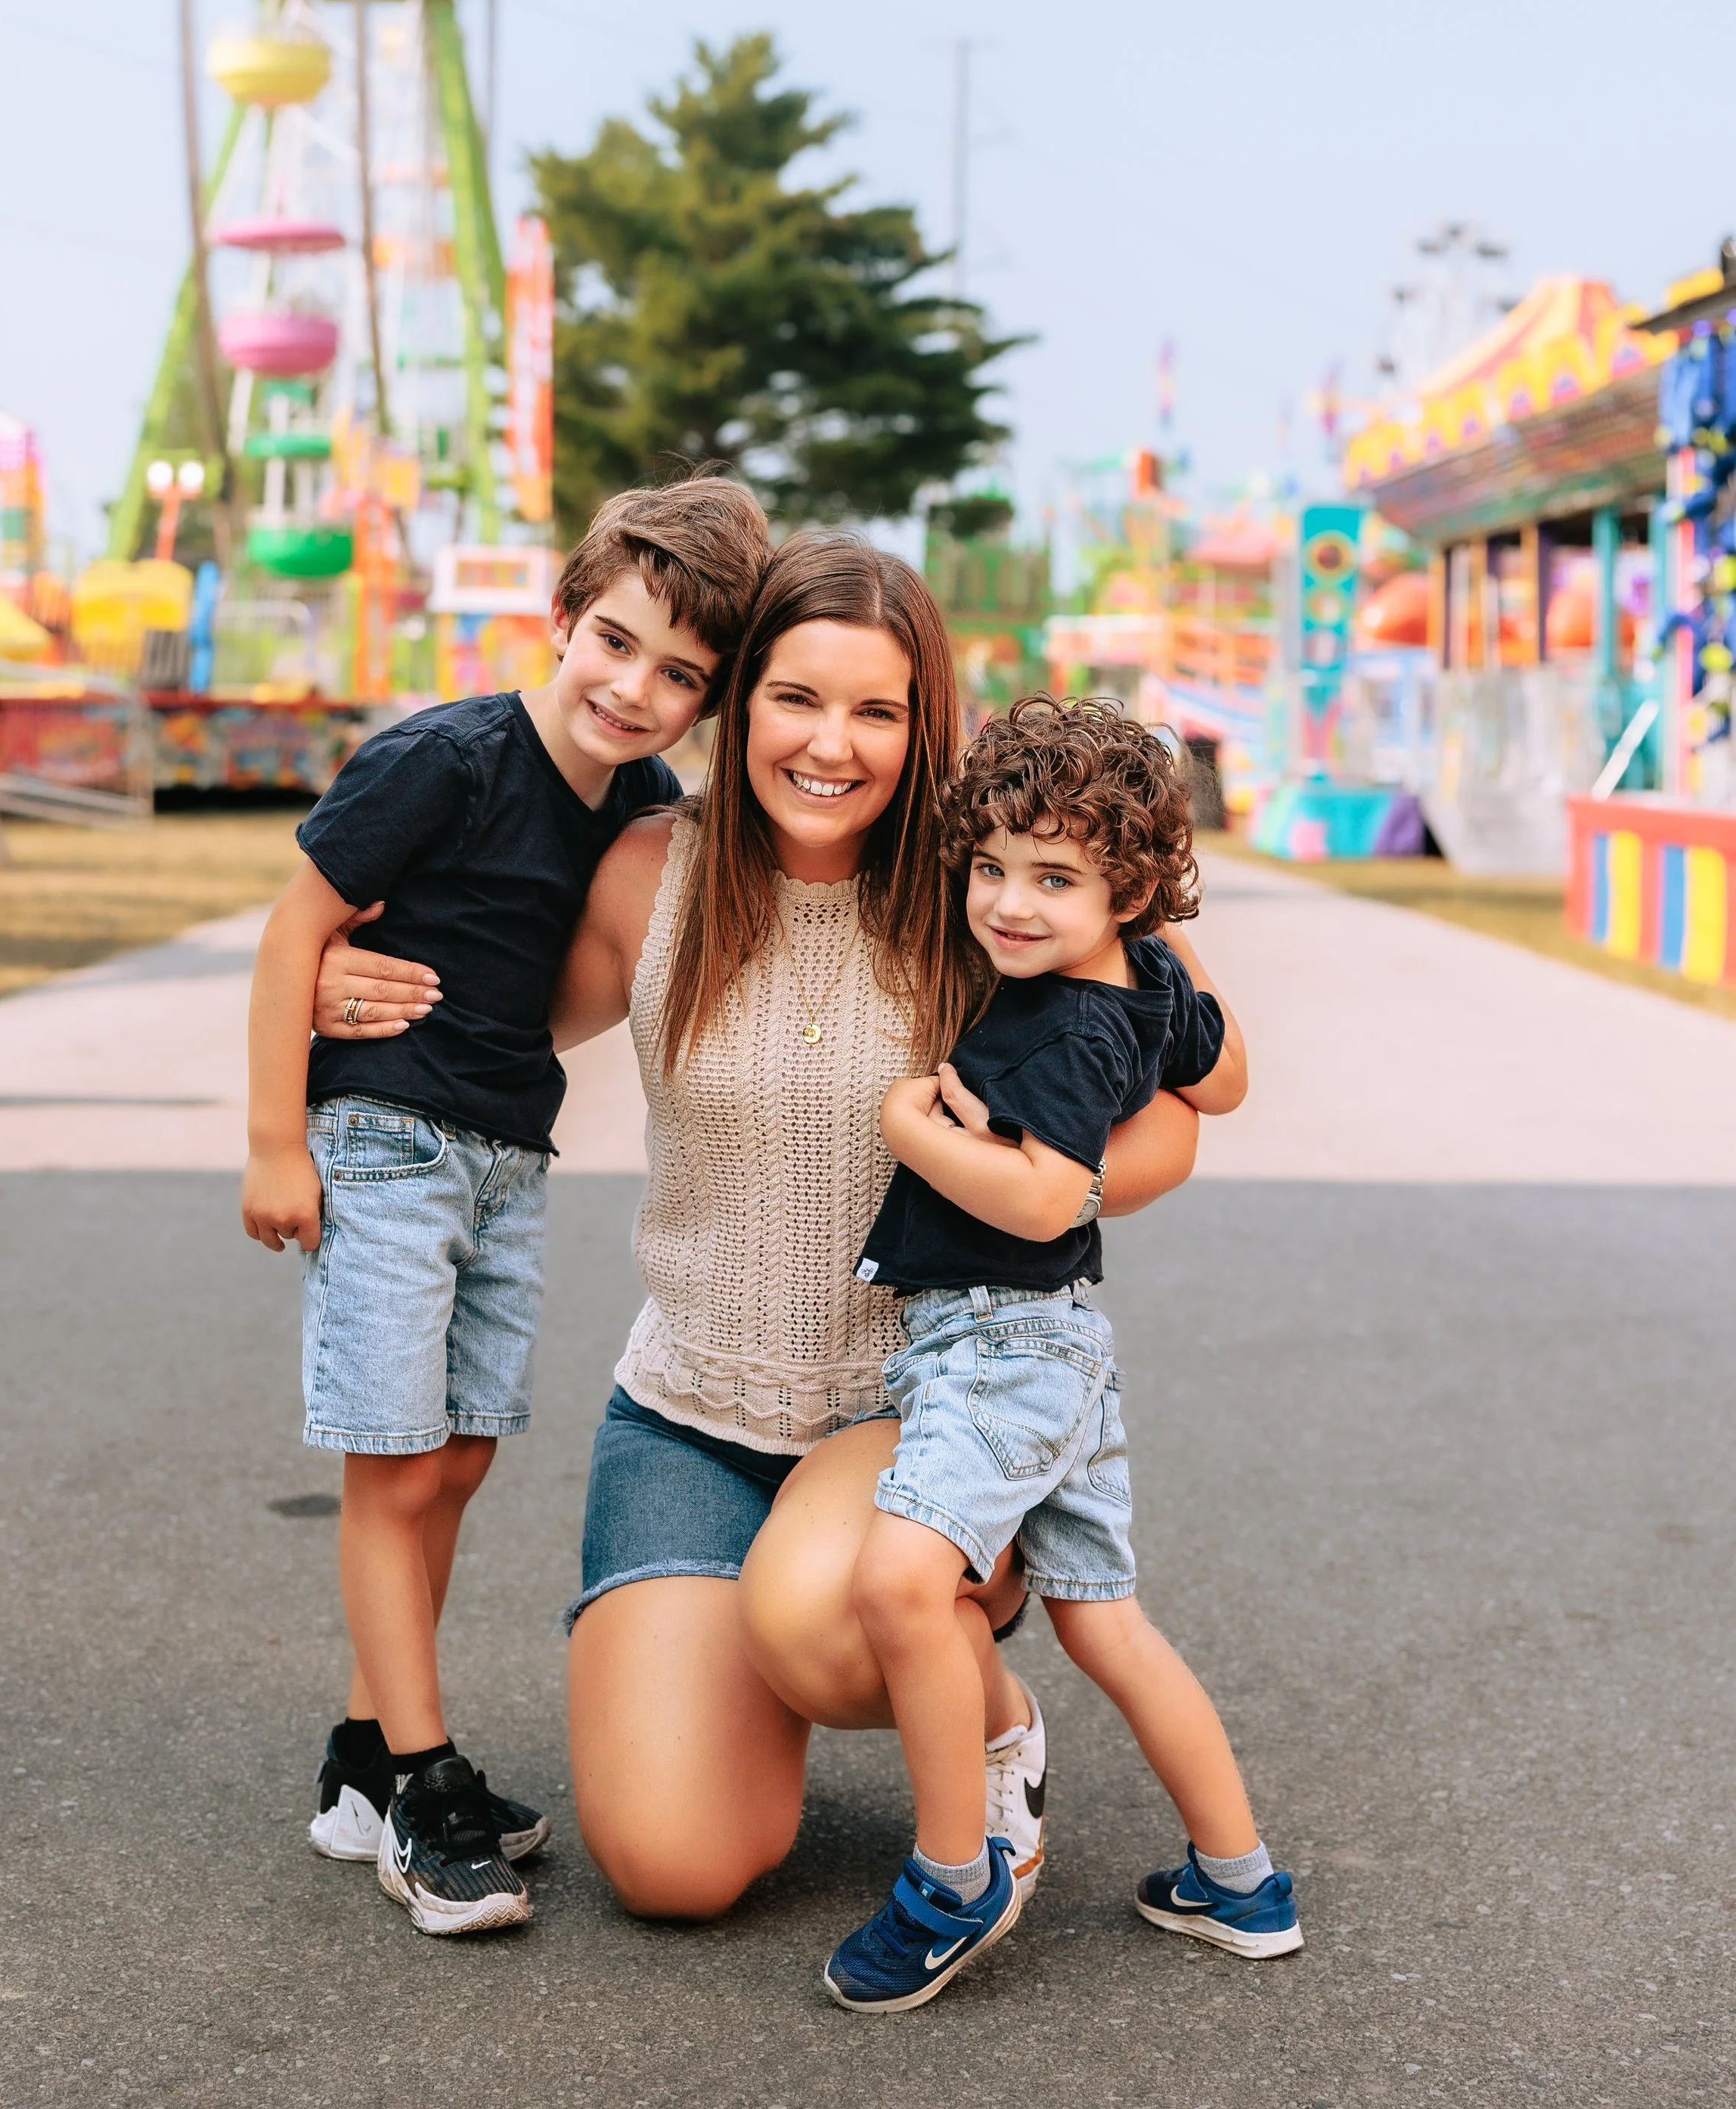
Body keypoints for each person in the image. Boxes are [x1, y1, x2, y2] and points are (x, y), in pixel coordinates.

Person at [324, 531, 1195, 1924]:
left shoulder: (1006, 887)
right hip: (691, 1410)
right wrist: (344, 986)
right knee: (673, 1867)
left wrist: (1059, 1191)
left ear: (927, 724)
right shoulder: (646, 877)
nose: (830, 744)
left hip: (921, 1403)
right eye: (795, 697)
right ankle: (759, 1648)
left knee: (823, 1625)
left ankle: (988, 1728)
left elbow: (1189, 1105)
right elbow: (487, 1024)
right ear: (738, 703)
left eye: (877, 709)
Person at [240, 476, 771, 1937]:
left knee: (460, 1456)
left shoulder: (647, 809)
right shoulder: (448, 758)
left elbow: (587, 985)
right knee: (389, 1464)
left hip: (505, 1157)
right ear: (563, 616)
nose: (635, 687)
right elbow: (296, 929)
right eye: (615, 641)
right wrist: (277, 1138)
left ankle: (361, 1761)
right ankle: (421, 1781)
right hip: (384, 1142)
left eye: (679, 676)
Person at [823, 696, 1301, 2011]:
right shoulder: (1144, 981)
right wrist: (1160, 953)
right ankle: (1238, 1876)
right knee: (1104, 1620)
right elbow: (1230, 1081)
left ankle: (950, 1872)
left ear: (1129, 886)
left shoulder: (1068, 1026)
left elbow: (1040, 1198)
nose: (1010, 905)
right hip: (1057, 1346)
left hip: (1002, 1344)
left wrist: (907, 1124)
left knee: (901, 1583)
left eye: (1057, 877)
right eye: (992, 867)